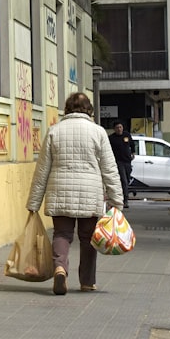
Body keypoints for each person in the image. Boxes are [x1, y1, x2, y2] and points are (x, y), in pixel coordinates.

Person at [26, 92, 125, 295]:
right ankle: (87, 281)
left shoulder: (54, 131)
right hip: (90, 193)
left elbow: (42, 169)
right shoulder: (98, 132)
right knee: (89, 237)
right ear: (89, 110)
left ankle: (60, 268)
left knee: (62, 234)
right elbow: (109, 168)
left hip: (59, 191)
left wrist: (33, 203)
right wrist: (117, 201)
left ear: (67, 109)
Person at [108, 120, 136, 208]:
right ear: (114, 129)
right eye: (117, 128)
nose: (119, 129)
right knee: (123, 180)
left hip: (127, 161)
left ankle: (124, 195)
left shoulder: (126, 135)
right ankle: (125, 199)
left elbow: (132, 144)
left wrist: (133, 153)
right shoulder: (112, 138)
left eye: (120, 127)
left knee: (127, 180)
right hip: (118, 162)